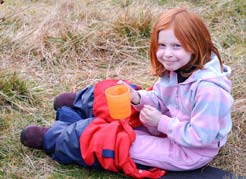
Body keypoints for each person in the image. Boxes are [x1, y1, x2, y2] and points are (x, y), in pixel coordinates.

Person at [21, 7, 233, 176]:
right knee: (113, 91)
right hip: (166, 124)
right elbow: (159, 97)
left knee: (117, 141)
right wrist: (137, 98)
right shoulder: (177, 70)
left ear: (195, 46)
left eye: (177, 46)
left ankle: (53, 137)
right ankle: (79, 105)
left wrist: (161, 122)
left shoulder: (209, 91)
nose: (167, 54)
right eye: (162, 45)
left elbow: (200, 137)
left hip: (188, 151)